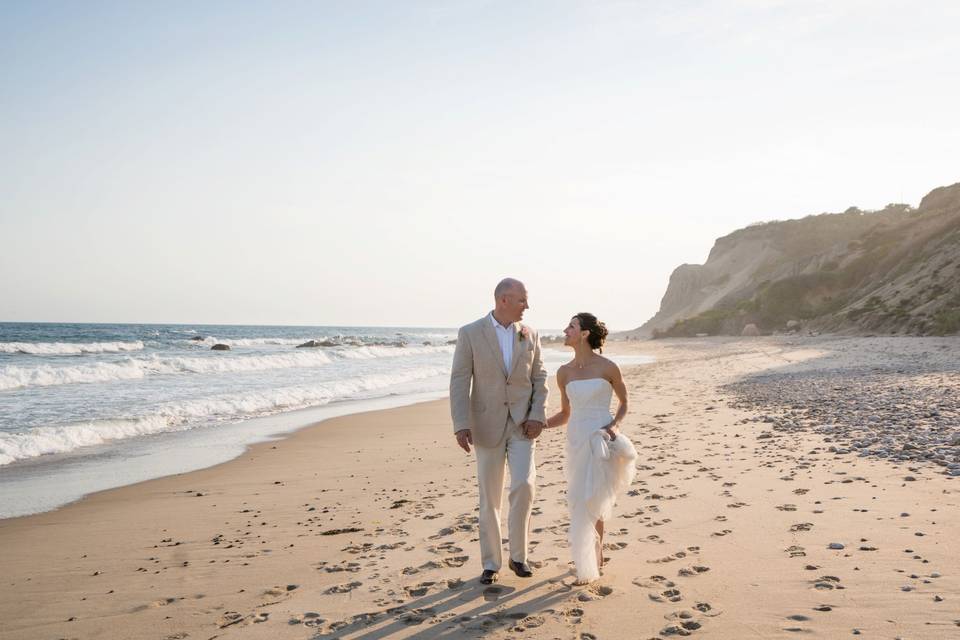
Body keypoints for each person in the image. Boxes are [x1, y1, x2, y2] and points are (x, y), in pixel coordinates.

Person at [449, 278, 548, 585]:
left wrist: (537, 415)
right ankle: (491, 562)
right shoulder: (470, 333)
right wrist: (461, 424)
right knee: (489, 497)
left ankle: (519, 557)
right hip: (485, 424)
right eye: (522, 300)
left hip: (522, 425)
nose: (527, 306)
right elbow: (459, 380)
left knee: (523, 486)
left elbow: (539, 377)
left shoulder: (529, 335)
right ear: (504, 300)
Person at [545, 312, 637, 584]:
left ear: (584, 333)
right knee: (579, 498)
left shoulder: (608, 367)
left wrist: (614, 427)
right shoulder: (563, 373)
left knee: (595, 496)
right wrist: (539, 426)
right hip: (575, 439)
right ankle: (587, 555)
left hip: (601, 437)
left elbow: (624, 403)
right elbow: (564, 414)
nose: (565, 330)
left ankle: (595, 555)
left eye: (571, 326)